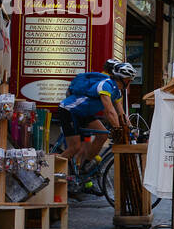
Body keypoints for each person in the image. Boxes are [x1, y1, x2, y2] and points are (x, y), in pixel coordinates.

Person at [55, 59, 136, 193]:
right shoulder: (105, 86)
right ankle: (50, 170)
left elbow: (121, 114)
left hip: (85, 113)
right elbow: (109, 111)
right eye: (129, 79)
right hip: (70, 110)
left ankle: (85, 166)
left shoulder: (118, 92)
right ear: (123, 79)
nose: (130, 82)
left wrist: (131, 128)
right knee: (75, 147)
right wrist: (118, 130)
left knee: (102, 135)